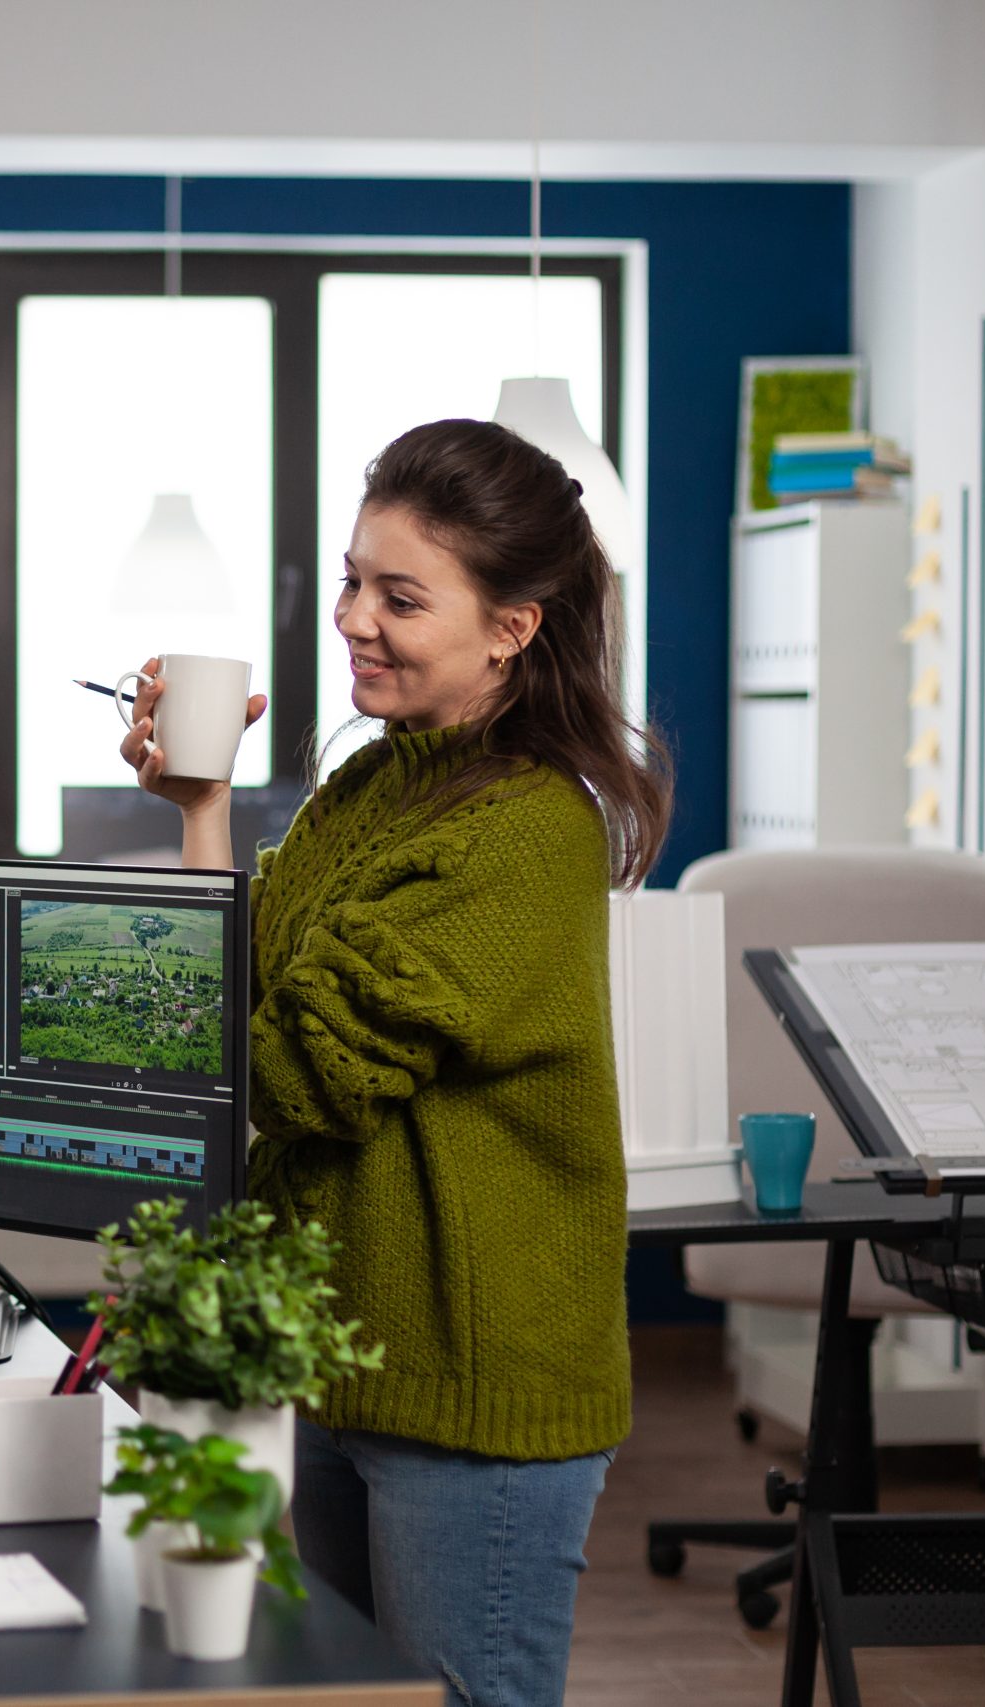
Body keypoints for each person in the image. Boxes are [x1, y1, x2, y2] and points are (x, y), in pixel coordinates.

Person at [119, 420, 669, 1707]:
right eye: (353, 580)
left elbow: (289, 1069)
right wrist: (203, 810)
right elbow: (244, 997)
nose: (355, 618)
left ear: (512, 629)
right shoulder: (365, 787)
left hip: (468, 1386)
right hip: (339, 1357)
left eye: (401, 597)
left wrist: (139, 1032)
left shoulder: (527, 827)